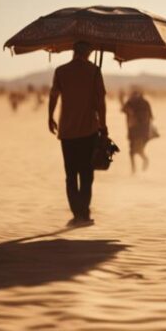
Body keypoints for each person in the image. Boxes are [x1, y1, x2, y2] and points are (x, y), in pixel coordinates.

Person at [48, 41, 107, 226]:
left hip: (67, 131)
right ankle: (84, 212)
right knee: (87, 174)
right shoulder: (94, 72)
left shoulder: (61, 71)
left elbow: (53, 95)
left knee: (71, 174)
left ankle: (77, 214)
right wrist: (103, 126)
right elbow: (101, 103)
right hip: (89, 130)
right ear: (88, 52)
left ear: (74, 51)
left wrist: (50, 116)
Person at [121, 87, 154, 173]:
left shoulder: (131, 102)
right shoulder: (145, 102)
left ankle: (134, 169)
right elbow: (151, 117)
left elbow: (123, 109)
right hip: (143, 131)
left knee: (133, 151)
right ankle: (137, 166)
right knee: (137, 150)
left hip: (134, 130)